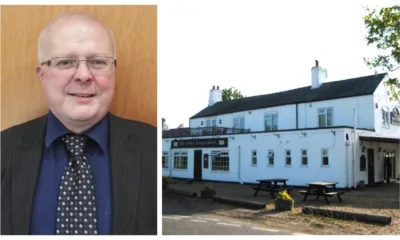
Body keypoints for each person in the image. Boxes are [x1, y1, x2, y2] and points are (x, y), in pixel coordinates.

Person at [1, 12, 157, 235]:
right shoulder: (3, 150)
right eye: (65, 62)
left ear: (113, 71)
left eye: (98, 62)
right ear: (42, 75)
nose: (83, 75)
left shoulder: (153, 148)